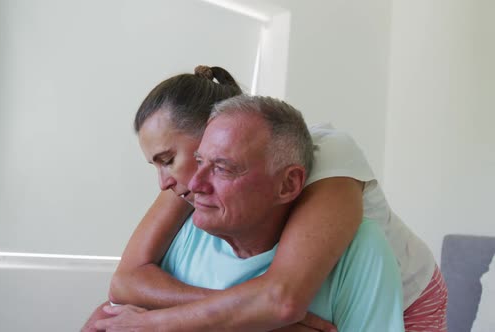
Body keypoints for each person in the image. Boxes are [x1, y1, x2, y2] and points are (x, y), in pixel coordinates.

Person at [82, 66, 447, 331]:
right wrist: (260, 320)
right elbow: (126, 281)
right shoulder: (196, 183)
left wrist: (158, 323)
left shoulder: (330, 156)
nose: (164, 182)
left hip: (407, 294)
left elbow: (280, 300)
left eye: (168, 159)